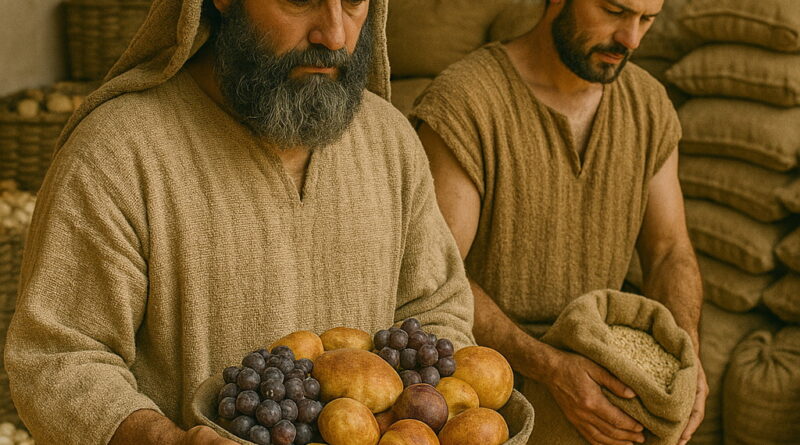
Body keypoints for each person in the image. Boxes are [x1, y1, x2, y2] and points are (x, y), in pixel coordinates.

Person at [4, 0, 475, 444]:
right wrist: (163, 439)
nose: (335, 35)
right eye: (298, 0)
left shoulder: (390, 141)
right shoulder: (118, 153)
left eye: (353, 2)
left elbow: (436, 308)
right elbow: (59, 358)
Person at [411, 0, 708, 444]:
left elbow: (670, 251)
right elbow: (440, 282)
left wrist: (687, 354)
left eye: (646, 19)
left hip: (607, 369)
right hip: (496, 383)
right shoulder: (466, 101)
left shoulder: (648, 104)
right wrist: (552, 369)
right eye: (613, 10)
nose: (631, 39)